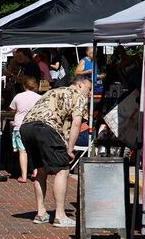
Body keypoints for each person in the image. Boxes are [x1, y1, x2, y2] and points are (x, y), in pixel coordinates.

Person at [20, 76, 92, 227]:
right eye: (89, 89)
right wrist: (70, 149)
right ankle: (60, 216)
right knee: (62, 170)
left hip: (26, 127)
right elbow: (76, 123)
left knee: (40, 170)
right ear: (79, 85)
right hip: (46, 128)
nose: (90, 93)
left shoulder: (53, 91)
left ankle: (41, 213)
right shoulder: (78, 96)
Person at [9, 76, 41, 183]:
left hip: (20, 126)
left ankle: (23, 176)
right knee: (34, 151)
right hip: (34, 126)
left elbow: (12, 109)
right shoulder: (39, 97)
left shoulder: (18, 96)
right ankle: (35, 172)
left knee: (22, 152)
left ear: (24, 86)